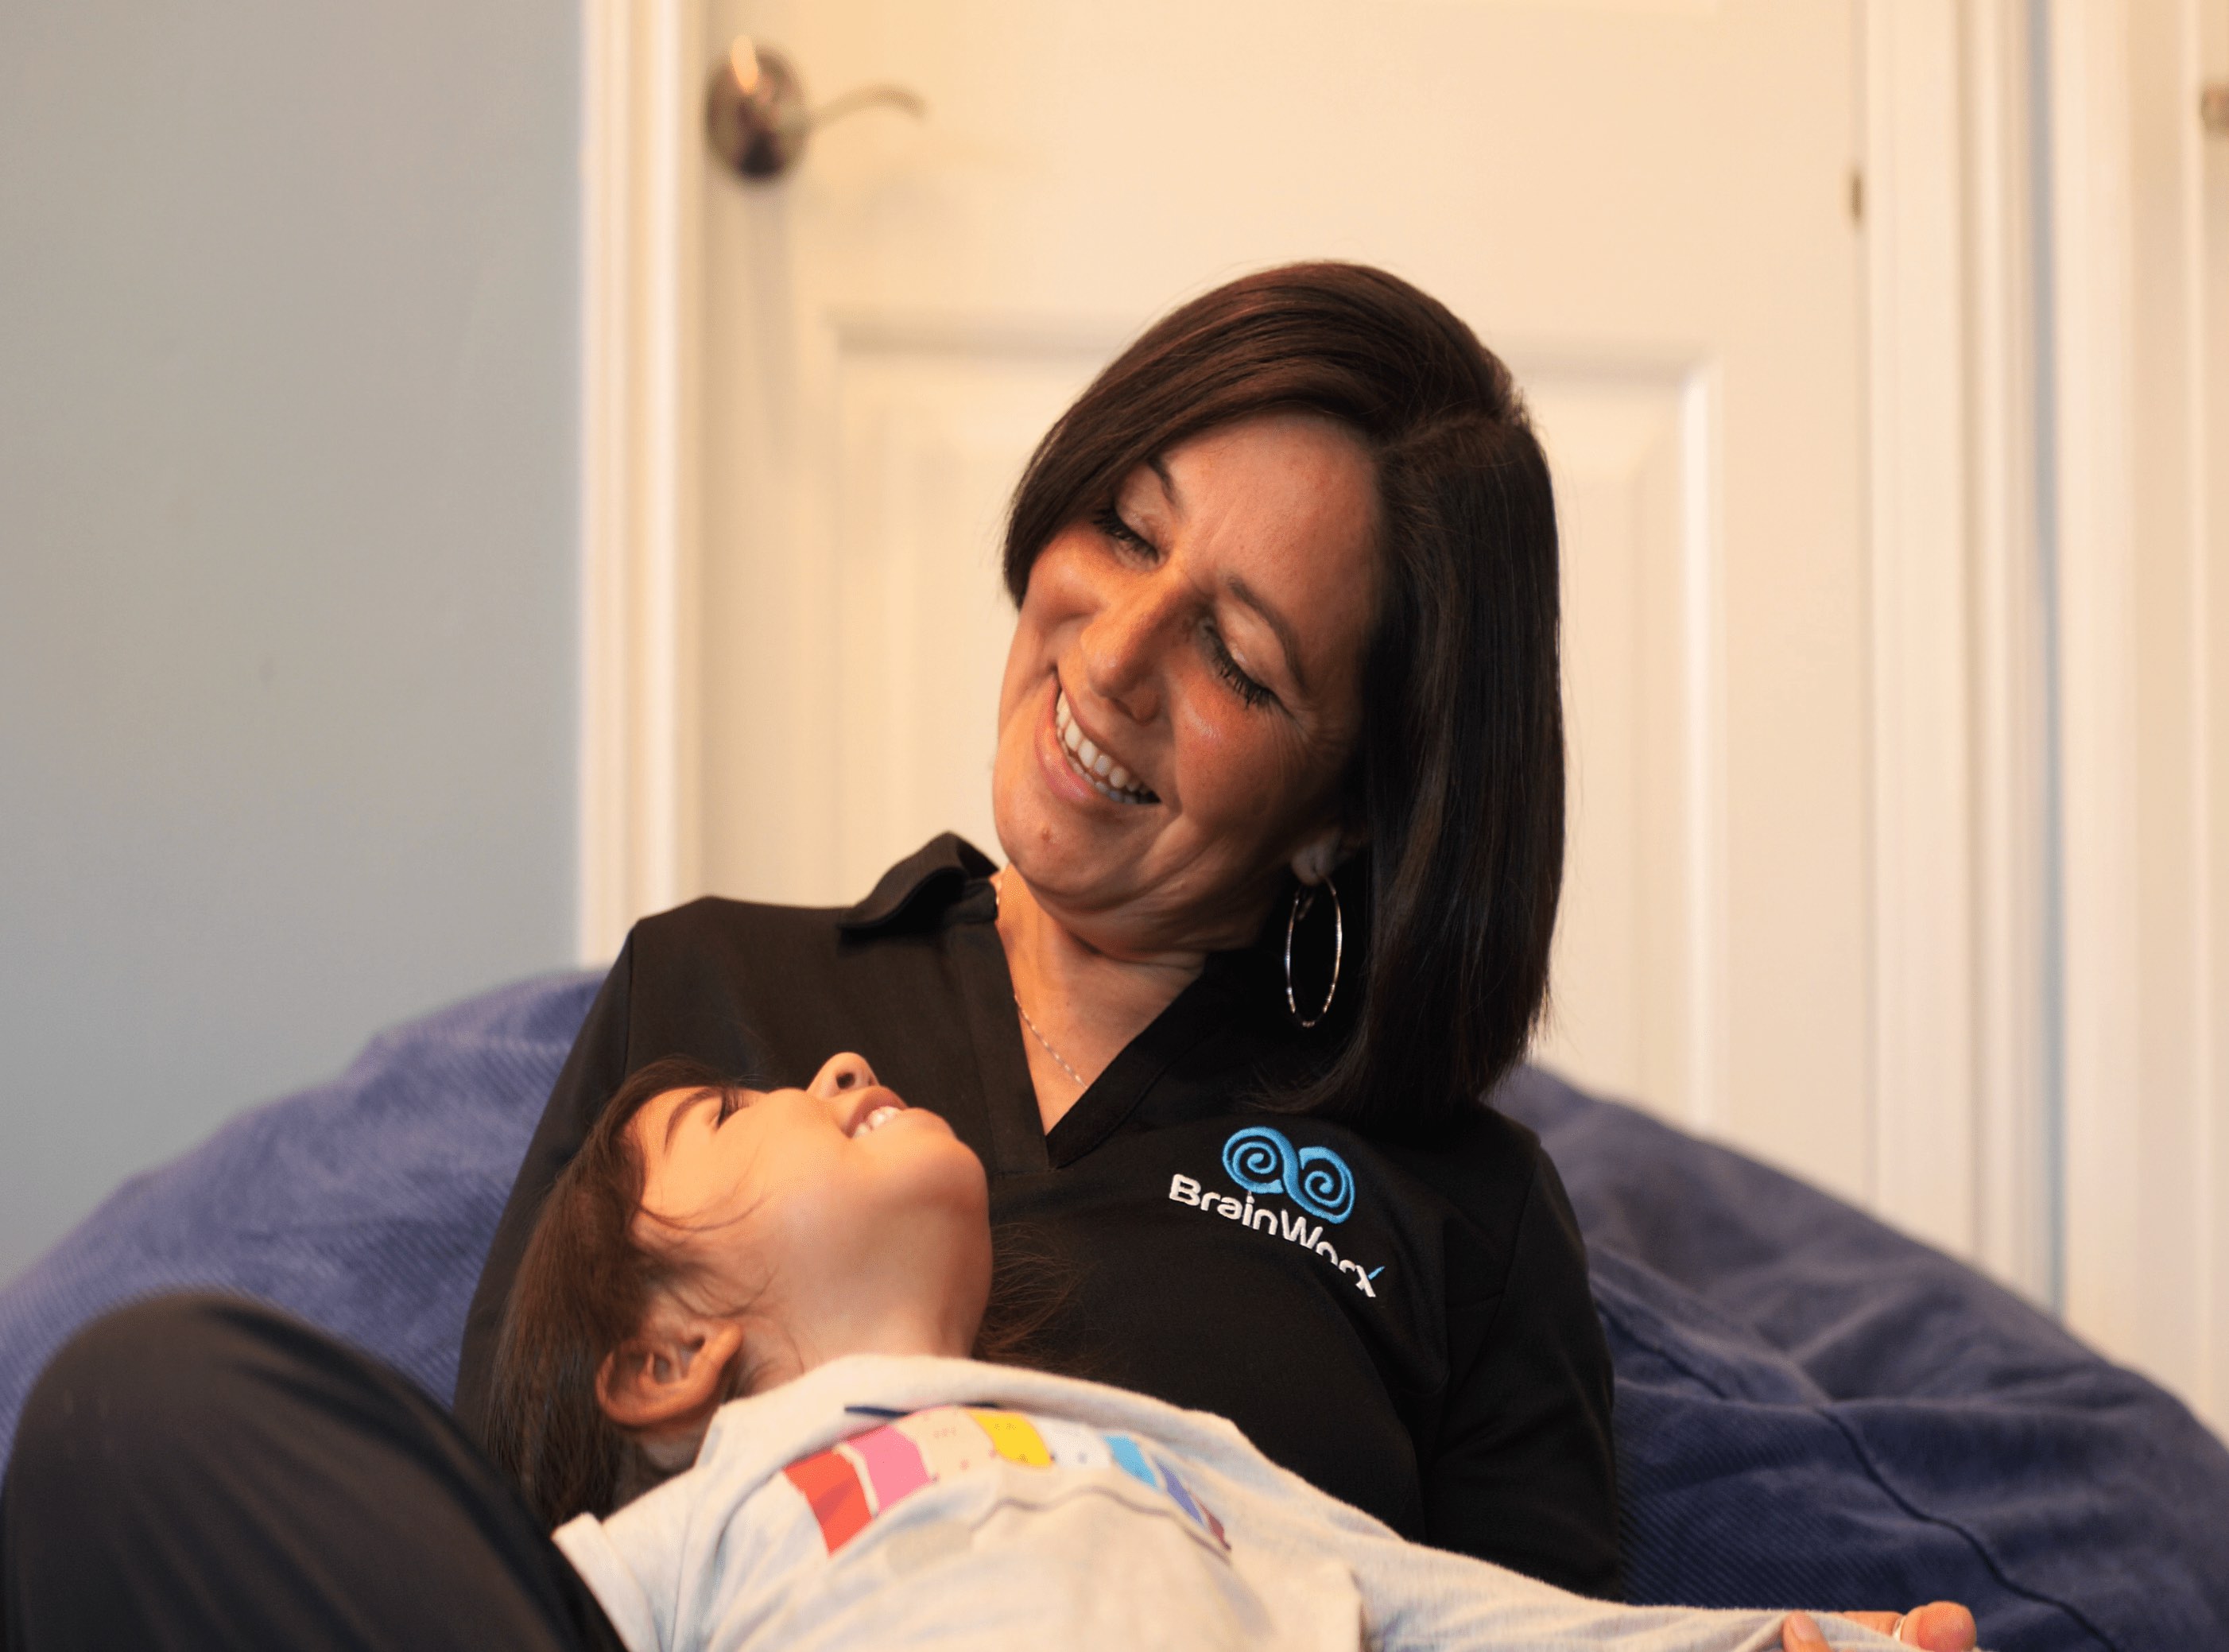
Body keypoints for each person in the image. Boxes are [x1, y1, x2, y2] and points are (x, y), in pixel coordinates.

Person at [459, 261, 1625, 1596]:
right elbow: (489, 1558)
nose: (1115, 654)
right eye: (1127, 531)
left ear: (1351, 813)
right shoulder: (708, 986)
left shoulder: (1461, 1214)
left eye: (1237, 660)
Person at [0, 1053, 1967, 1650]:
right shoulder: (718, 1514)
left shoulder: (1185, 1454)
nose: (841, 1062)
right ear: (667, 1354)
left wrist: (1794, 1642)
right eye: (736, 1109)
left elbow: (1472, 1620)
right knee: (141, 1398)